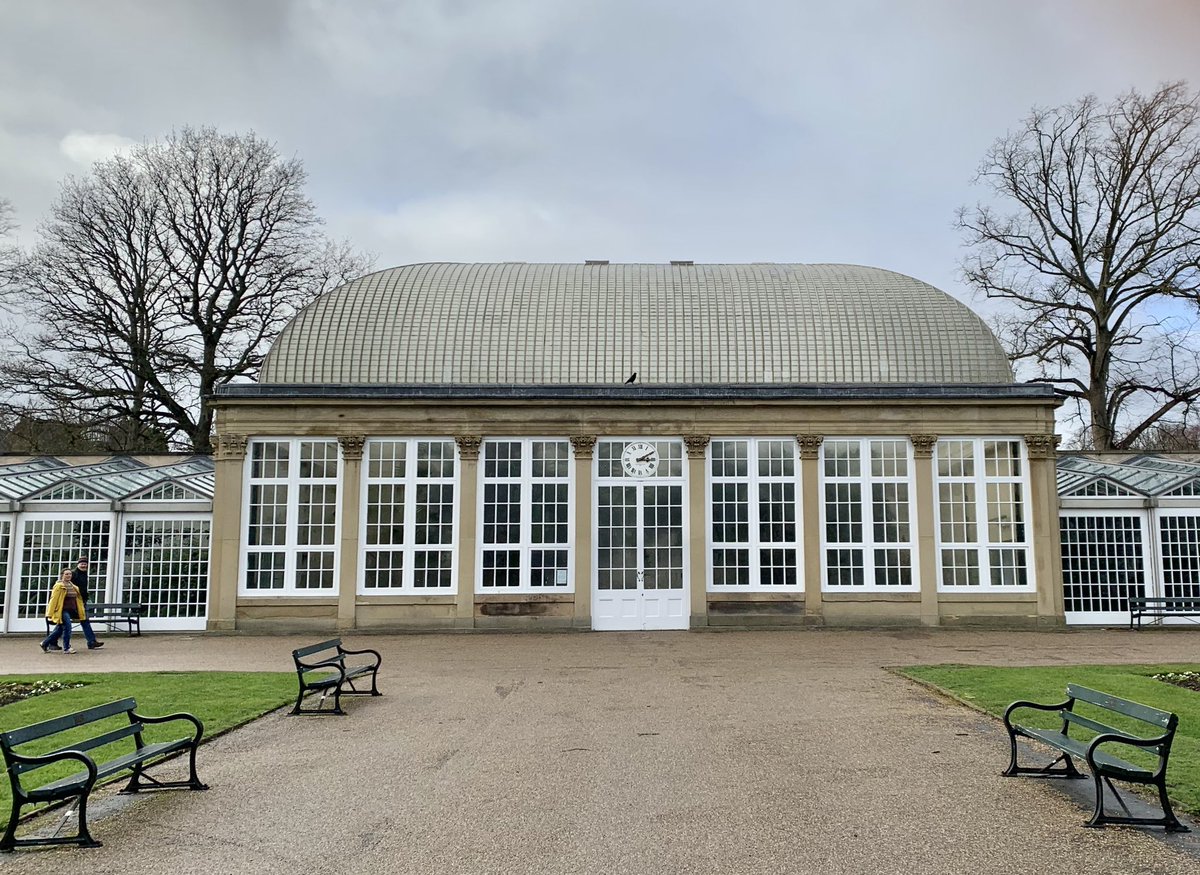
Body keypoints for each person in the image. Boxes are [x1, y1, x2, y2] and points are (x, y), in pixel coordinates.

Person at [41, 568, 104, 653]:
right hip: (63, 610)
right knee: (68, 627)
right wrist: (50, 613)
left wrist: (80, 610)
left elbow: (78, 599)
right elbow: (53, 599)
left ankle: (45, 643)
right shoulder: (59, 586)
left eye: (70, 574)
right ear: (62, 575)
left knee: (59, 629)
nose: (68, 576)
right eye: (66, 574)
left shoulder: (73, 586)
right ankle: (67, 648)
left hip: (72, 610)